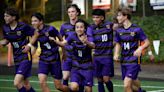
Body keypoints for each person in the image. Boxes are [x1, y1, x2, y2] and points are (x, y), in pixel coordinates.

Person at [23, 12, 68, 92]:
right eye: (32, 21)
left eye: (35, 21)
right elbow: (35, 46)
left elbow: (62, 42)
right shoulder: (34, 32)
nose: (33, 23)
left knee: (58, 86)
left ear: (41, 21)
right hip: (43, 59)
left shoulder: (51, 29)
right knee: (42, 82)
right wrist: (29, 56)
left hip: (55, 59)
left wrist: (64, 53)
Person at [50, 19, 95, 92]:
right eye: (77, 27)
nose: (79, 29)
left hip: (87, 67)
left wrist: (86, 42)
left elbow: (93, 46)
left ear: (85, 28)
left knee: (88, 90)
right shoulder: (72, 36)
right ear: (75, 28)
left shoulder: (88, 37)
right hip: (76, 67)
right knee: (73, 87)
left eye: (81, 27)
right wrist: (55, 41)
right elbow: (63, 44)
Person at [114, 7, 149, 92]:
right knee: (133, 86)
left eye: (119, 15)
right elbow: (118, 43)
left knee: (126, 85)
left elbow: (147, 42)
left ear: (125, 16)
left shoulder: (137, 29)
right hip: (124, 60)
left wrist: (140, 48)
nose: (117, 18)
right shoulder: (119, 30)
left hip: (134, 60)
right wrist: (116, 53)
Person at [0, 7, 35, 92]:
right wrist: (2, 42)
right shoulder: (5, 28)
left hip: (25, 57)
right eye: (4, 16)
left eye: (7, 16)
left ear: (14, 17)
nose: (5, 18)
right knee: (26, 84)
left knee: (16, 82)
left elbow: (35, 34)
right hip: (16, 58)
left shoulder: (23, 26)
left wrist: (30, 45)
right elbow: (7, 39)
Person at [60, 4, 84, 91]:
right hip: (68, 55)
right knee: (65, 76)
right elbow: (60, 39)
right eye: (69, 12)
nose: (71, 14)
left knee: (79, 80)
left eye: (73, 11)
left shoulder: (82, 25)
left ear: (77, 12)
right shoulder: (64, 26)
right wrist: (63, 52)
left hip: (79, 57)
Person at [89, 9, 114, 92]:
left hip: (107, 56)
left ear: (102, 18)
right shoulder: (91, 28)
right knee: (99, 80)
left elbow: (119, 27)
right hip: (96, 57)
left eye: (97, 17)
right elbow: (91, 40)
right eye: (93, 17)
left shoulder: (109, 25)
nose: (95, 19)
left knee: (106, 79)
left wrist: (115, 42)